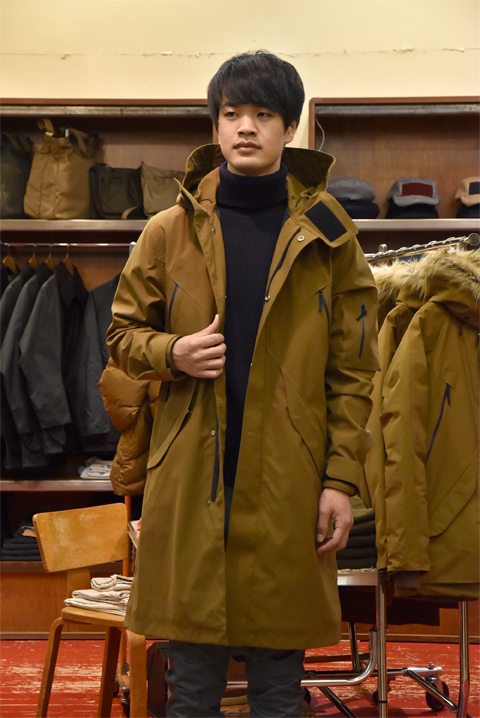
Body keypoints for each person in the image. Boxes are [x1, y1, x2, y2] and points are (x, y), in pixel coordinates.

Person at [107, 50, 379, 718]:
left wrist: (340, 481)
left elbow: (354, 373)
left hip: (289, 476)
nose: (246, 127)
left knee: (279, 682)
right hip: (191, 474)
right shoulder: (167, 231)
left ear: (289, 127)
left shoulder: (329, 237)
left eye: (263, 114)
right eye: (232, 113)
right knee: (192, 679)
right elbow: (119, 338)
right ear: (216, 125)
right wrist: (174, 352)